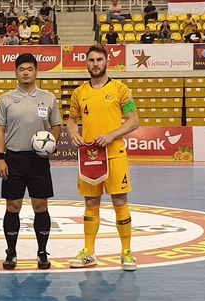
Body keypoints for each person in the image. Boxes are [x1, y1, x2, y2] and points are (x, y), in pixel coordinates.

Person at [67, 44, 139, 271]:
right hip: (90, 156)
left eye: (99, 60)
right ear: (86, 63)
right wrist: (72, 133)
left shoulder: (121, 89)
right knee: (91, 203)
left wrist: (111, 135)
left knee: (119, 202)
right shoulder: (79, 93)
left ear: (107, 62)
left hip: (115, 154)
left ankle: (126, 252)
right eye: (91, 60)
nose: (95, 64)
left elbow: (133, 120)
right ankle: (89, 252)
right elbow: (71, 120)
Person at [0, 53, 62, 270]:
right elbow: (0, 130)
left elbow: (57, 125)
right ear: (16, 72)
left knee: (40, 206)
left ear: (36, 71)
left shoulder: (48, 97)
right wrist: (1, 159)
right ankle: (11, 252)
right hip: (13, 159)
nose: (25, 72)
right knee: (12, 206)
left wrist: (51, 141)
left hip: (38, 160)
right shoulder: (6, 99)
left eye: (29, 69)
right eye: (21, 69)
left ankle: (42, 252)